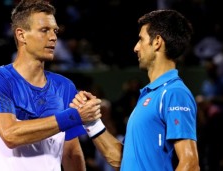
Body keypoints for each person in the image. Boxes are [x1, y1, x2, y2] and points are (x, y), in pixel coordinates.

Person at [0, 0, 102, 171]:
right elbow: (11, 134)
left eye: (55, 31)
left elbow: (71, 153)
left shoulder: (64, 87)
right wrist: (74, 116)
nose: (53, 37)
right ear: (21, 35)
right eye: (44, 30)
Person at [71, 9, 200, 171]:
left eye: (141, 39)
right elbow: (121, 161)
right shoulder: (151, 95)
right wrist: (92, 122)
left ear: (157, 42)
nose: (136, 48)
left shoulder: (174, 93)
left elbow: (190, 164)